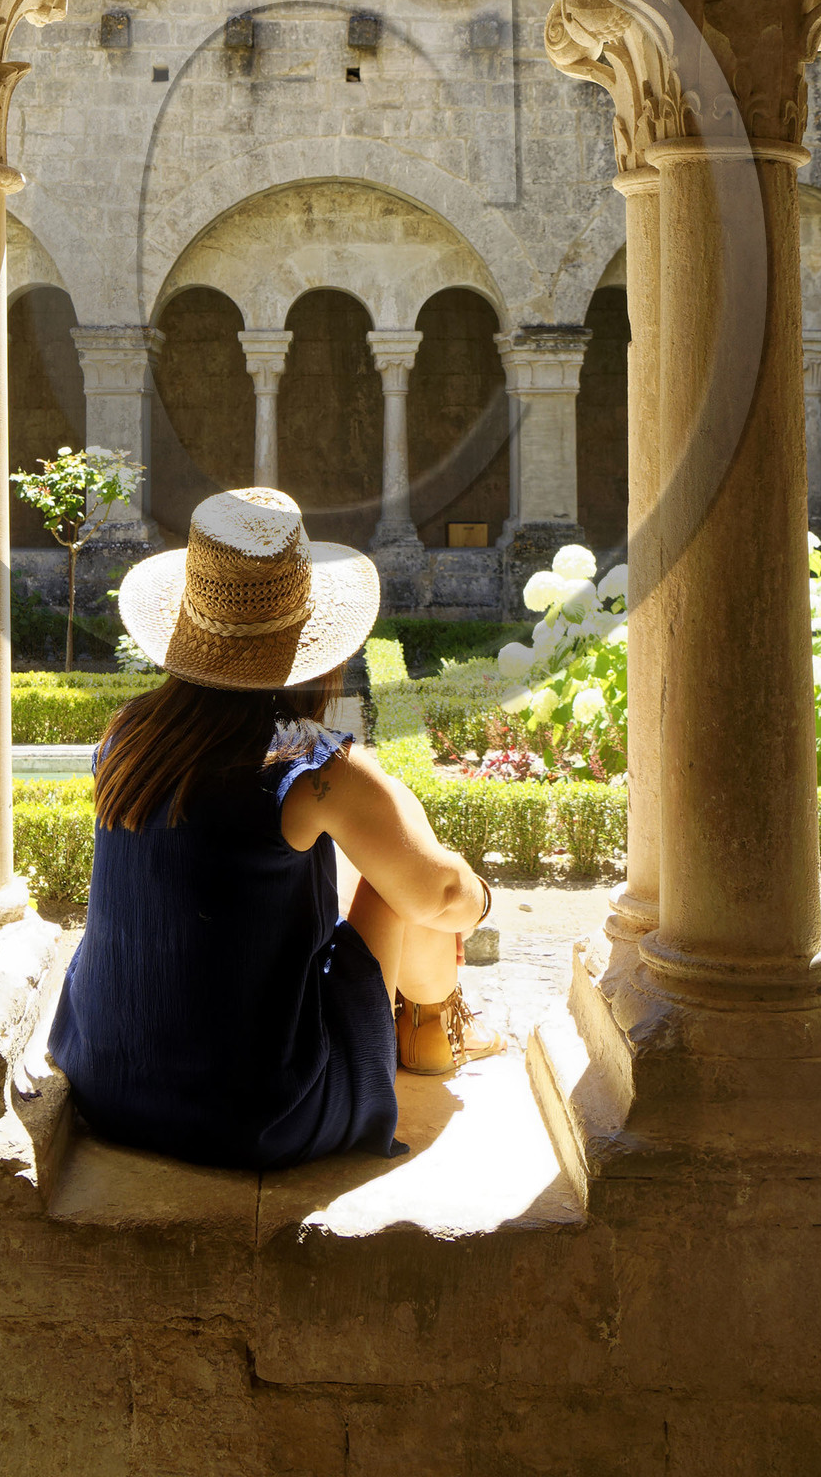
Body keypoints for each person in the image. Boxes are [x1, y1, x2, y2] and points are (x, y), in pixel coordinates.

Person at [46, 486, 501, 1171]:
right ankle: (433, 1024)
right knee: (414, 877)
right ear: (314, 643)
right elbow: (438, 898)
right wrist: (476, 891)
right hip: (255, 1113)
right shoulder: (309, 765)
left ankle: (431, 1024)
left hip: (106, 1080)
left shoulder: (129, 734)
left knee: (399, 855)